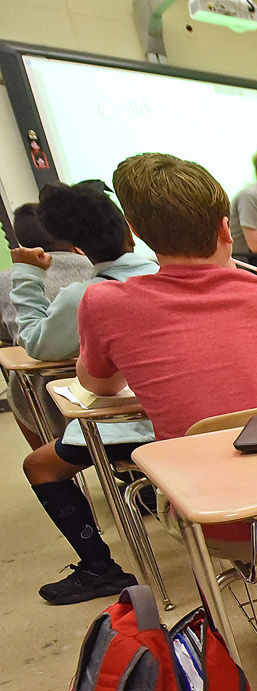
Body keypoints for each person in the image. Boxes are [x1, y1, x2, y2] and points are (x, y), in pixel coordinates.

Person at [78, 152, 257, 635]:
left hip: (216, 522)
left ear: (135, 231)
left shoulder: (106, 304)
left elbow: (99, 385)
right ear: (226, 227)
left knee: (216, 469)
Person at [11, 182, 158, 605]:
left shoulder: (89, 295)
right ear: (129, 230)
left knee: (39, 465)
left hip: (136, 424)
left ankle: (99, 567)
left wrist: (26, 275)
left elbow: (39, 345)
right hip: (194, 417)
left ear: (77, 247)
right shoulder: (166, 275)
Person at [2, 201, 93, 448]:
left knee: (16, 380)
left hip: (45, 398)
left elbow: (11, 337)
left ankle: (47, 452)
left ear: (21, 241)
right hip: (109, 389)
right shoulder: (98, 269)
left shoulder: (7, 279)